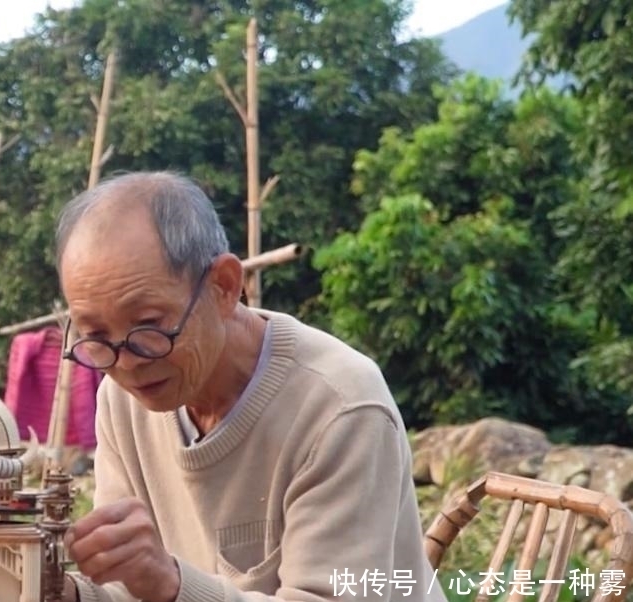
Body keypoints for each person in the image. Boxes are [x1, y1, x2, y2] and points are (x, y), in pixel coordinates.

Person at [52, 171, 445, 602]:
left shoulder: (340, 406)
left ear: (223, 286)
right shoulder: (123, 397)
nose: (125, 363)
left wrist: (172, 584)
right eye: (96, 336)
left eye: (148, 325)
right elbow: (127, 588)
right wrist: (58, 590)